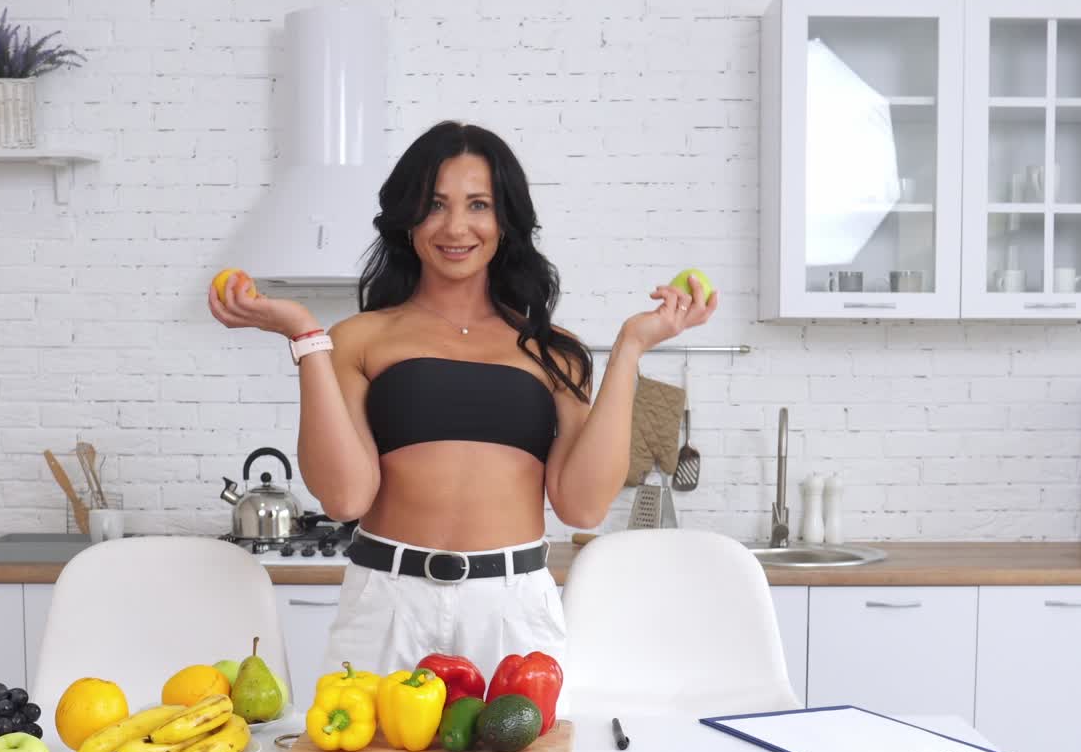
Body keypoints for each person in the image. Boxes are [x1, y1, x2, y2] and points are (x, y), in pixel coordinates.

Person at [209, 120, 718, 695]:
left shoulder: (555, 352)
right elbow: (345, 496)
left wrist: (632, 345)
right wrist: (304, 335)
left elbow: (581, 506)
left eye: (478, 204)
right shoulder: (357, 338)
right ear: (408, 219)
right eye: (434, 205)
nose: (456, 227)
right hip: (387, 604)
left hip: (513, 610)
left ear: (505, 220)